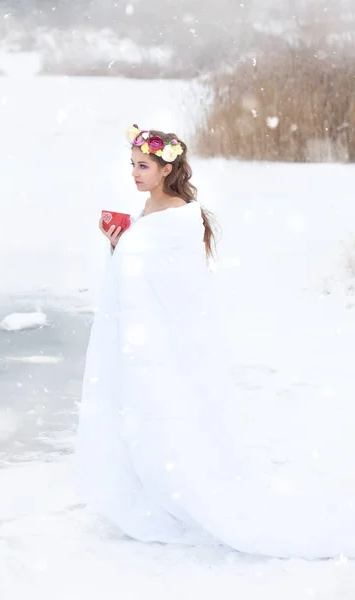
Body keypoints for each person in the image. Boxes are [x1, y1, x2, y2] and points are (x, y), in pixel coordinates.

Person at [75, 126, 355, 559]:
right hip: (142, 345)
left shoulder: (179, 221)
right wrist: (119, 246)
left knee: (171, 422)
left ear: (167, 168)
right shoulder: (149, 212)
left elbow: (180, 293)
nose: (134, 173)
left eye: (143, 166)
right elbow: (137, 275)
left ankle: (184, 492)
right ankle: (154, 490)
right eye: (132, 164)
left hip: (165, 348)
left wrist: (130, 248)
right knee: (142, 421)